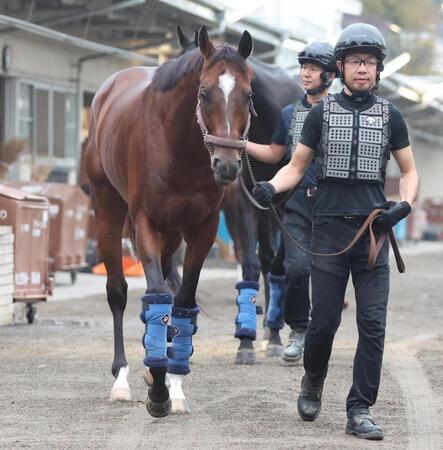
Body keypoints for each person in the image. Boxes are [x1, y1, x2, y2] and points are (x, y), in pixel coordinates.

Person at [252, 23, 419, 441]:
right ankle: (313, 378)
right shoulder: (320, 114)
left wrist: (402, 205)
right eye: (355, 62)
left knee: (373, 325)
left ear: (378, 69)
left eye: (370, 62)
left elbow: (410, 171)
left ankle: (360, 408)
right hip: (326, 232)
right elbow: (295, 165)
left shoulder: (391, 115)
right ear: (341, 67)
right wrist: (271, 186)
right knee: (323, 323)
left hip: (373, 236)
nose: (362, 69)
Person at [246, 42, 338, 361]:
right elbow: (275, 154)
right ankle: (299, 328)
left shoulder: (342, 112)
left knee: (328, 273)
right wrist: (240, 143)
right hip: (299, 202)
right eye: (303, 67)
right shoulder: (289, 114)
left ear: (330, 75)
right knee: (296, 268)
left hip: (335, 205)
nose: (305, 73)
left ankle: (321, 331)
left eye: (313, 68)